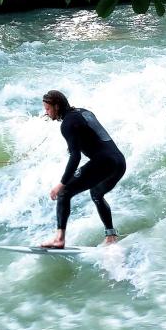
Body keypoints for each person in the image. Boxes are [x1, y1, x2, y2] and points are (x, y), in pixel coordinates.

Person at [40, 90, 126, 249]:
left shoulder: (67, 124)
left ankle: (59, 239)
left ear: (57, 106)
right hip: (119, 162)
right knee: (97, 193)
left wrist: (61, 183)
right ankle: (111, 236)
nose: (46, 112)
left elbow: (75, 157)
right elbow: (92, 135)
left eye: (48, 109)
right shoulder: (84, 112)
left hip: (104, 162)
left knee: (64, 192)